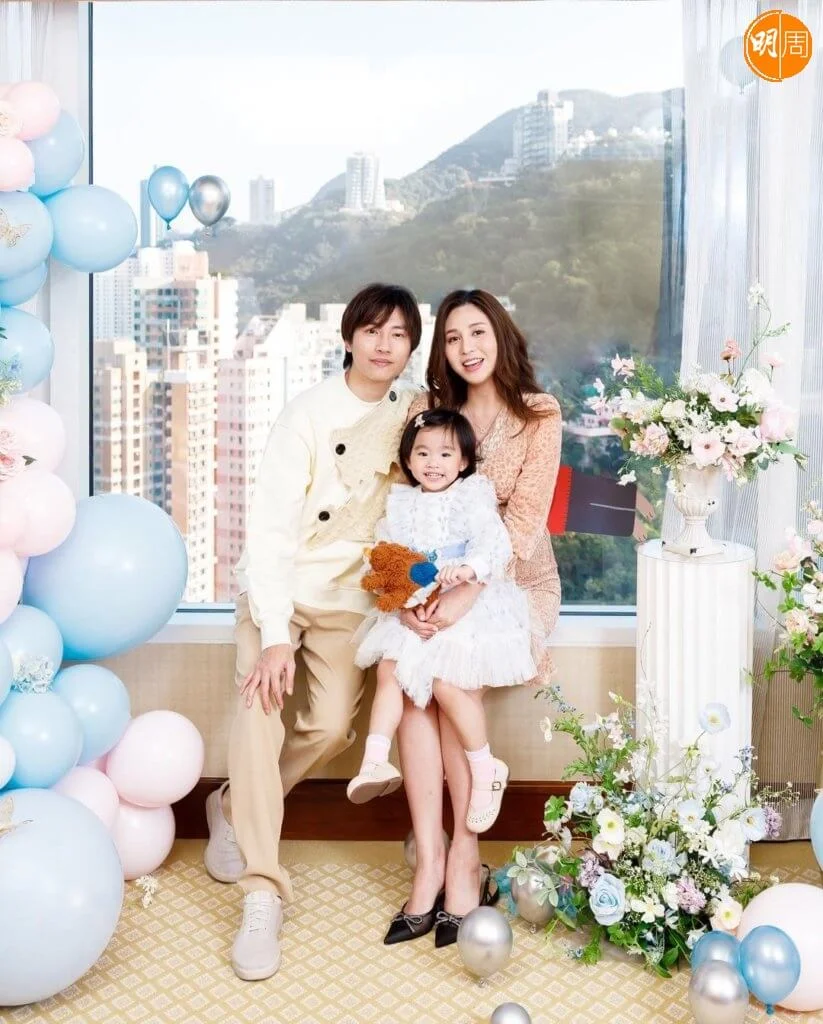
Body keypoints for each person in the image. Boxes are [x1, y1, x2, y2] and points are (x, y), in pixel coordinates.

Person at [203, 283, 422, 981]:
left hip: (350, 598)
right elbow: (269, 532)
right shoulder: (305, 413)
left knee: (330, 729)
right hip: (281, 587)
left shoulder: (413, 412)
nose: (384, 345)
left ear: (410, 348)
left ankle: (232, 804)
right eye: (372, 330)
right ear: (349, 337)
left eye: (398, 334)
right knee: (260, 705)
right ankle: (262, 890)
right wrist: (273, 634)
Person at [393, 289, 563, 948]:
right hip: (430, 581)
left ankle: (465, 859)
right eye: (453, 337)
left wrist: (463, 598)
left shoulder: (537, 414)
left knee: (450, 678)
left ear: (500, 336)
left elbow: (522, 526)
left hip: (512, 582)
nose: (467, 348)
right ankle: (430, 861)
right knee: (411, 684)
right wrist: (407, 593)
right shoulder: (426, 409)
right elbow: (404, 507)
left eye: (478, 332)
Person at [348, 409, 537, 874]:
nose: (433, 463)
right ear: (408, 460)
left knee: (448, 685)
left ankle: (486, 767)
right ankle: (375, 760)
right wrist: (401, 600)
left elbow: (495, 545)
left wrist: (468, 569)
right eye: (423, 453)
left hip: (467, 608)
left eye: (445, 454)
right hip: (419, 607)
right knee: (390, 671)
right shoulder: (401, 503)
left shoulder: (472, 497)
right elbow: (384, 559)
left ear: (464, 460)